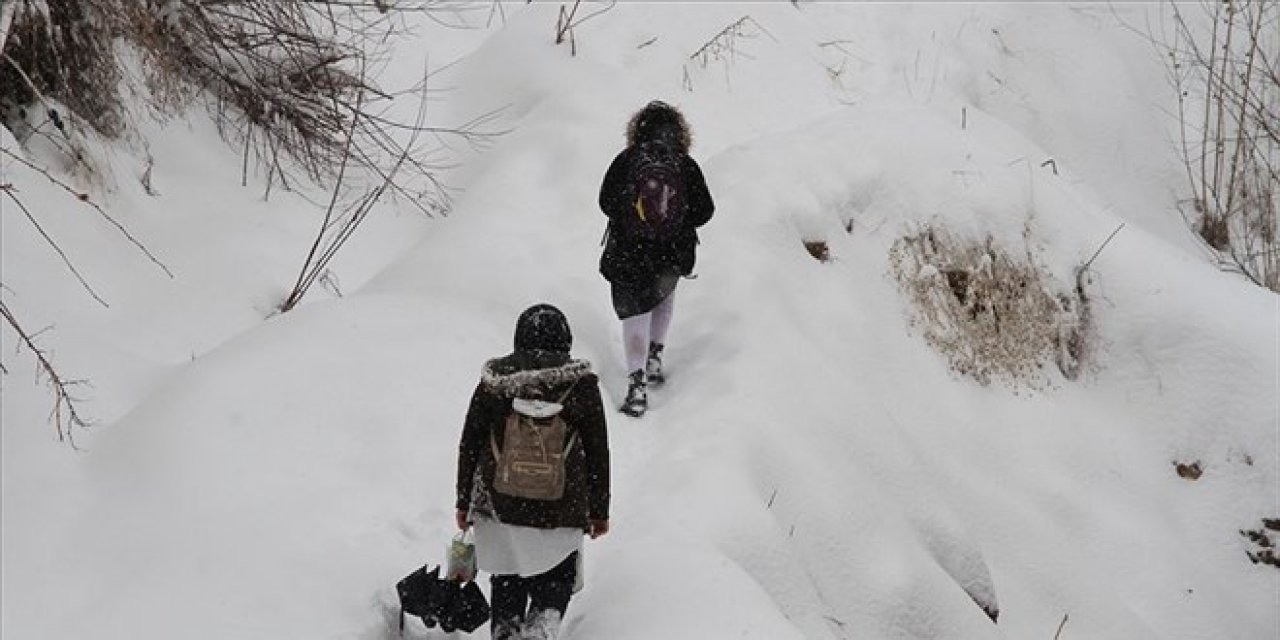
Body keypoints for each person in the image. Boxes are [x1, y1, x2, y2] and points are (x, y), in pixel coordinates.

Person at [455, 304, 611, 640]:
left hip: (500, 504)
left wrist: (463, 501)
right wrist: (599, 511)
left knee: (507, 576)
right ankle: (542, 627)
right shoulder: (581, 386)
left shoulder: (495, 384)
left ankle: (506, 630)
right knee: (555, 578)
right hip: (561, 508)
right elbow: (598, 453)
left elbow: (470, 443)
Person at [598, 100, 715, 417]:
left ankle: (636, 384)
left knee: (634, 312)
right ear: (680, 133)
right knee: (663, 294)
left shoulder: (626, 161)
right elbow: (705, 211)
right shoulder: (684, 165)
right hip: (670, 254)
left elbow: (605, 201)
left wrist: (633, 219)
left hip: (628, 254)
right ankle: (655, 356)